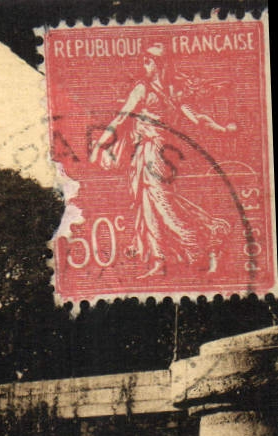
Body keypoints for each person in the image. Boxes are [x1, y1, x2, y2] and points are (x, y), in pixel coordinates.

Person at [89, 43, 238, 278]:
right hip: (147, 151)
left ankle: (203, 242)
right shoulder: (156, 90)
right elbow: (122, 119)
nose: (144, 66)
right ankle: (159, 260)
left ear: (158, 64)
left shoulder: (158, 90)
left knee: (162, 203)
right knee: (147, 203)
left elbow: (195, 118)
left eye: (148, 62)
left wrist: (222, 129)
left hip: (158, 153)